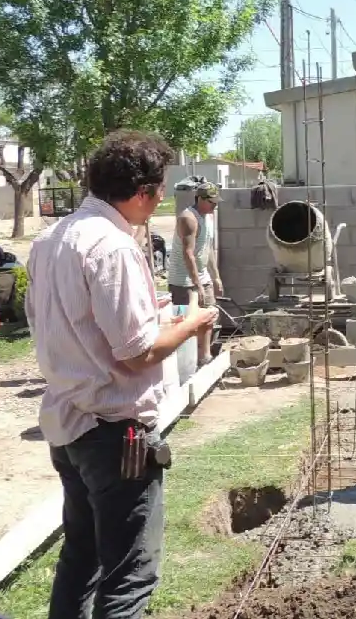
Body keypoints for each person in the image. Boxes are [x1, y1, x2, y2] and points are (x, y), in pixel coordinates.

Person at [27, 131, 217, 619]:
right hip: (115, 436)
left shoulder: (50, 239)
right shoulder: (113, 246)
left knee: (83, 556)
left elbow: (76, 327)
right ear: (142, 193)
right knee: (130, 575)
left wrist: (158, 322)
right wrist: (192, 322)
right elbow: (137, 354)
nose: (155, 206)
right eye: (157, 194)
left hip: (69, 424)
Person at [168, 180, 223, 368]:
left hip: (202, 276)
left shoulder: (208, 216)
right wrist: (197, 284)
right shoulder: (188, 218)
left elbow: (207, 250)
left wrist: (215, 277)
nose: (215, 205)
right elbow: (188, 253)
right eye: (211, 202)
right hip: (183, 280)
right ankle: (187, 364)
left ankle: (204, 358)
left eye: (216, 202)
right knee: (187, 323)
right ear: (199, 199)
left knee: (209, 316)